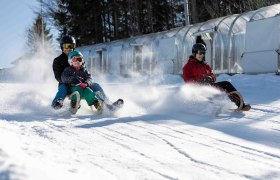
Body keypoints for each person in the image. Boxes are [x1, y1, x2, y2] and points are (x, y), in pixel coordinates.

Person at [182, 43, 251, 111]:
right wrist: (201, 80)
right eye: (200, 53)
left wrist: (210, 78)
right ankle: (210, 107)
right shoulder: (188, 66)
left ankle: (241, 105)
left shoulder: (205, 65)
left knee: (226, 84)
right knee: (211, 93)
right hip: (197, 90)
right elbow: (188, 81)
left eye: (203, 53)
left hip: (209, 86)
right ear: (194, 53)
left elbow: (213, 76)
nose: (202, 55)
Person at [51, 35, 107, 109]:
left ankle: (107, 102)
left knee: (95, 85)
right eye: (66, 46)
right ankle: (57, 102)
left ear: (73, 47)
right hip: (66, 84)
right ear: (62, 47)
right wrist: (71, 80)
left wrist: (86, 82)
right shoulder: (58, 60)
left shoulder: (78, 57)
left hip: (82, 84)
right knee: (63, 88)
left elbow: (85, 73)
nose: (68, 49)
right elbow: (58, 77)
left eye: (70, 46)